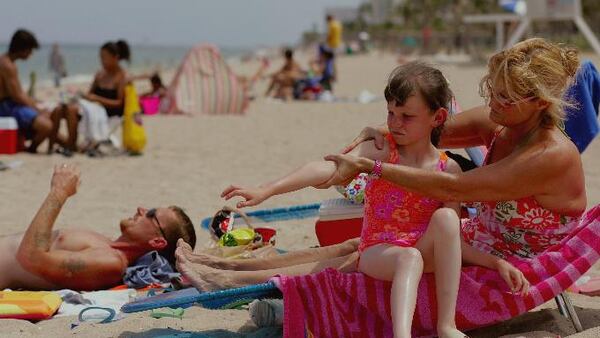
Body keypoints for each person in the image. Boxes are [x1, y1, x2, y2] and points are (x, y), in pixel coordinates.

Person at [175, 62, 511, 338]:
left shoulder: (447, 167)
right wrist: (268, 189)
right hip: (379, 250)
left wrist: (494, 262)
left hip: (422, 248)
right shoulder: (382, 149)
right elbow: (324, 168)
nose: (394, 123)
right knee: (408, 258)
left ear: (437, 118)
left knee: (448, 219)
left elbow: (450, 240)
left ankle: (445, 326)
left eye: (406, 116)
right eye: (391, 113)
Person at [332, 38, 585, 275]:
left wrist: (371, 166)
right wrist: (380, 131)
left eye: (505, 97)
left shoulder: (550, 154)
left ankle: (303, 289)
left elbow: (453, 188)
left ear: (540, 103)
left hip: (518, 259)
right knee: (358, 245)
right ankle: (297, 277)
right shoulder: (499, 124)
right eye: (491, 89)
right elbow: (425, 129)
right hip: (479, 236)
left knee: (367, 258)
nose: (493, 102)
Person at [0, 164, 196, 291]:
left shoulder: (110, 263)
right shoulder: (106, 244)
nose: (141, 209)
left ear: (157, 241)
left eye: (151, 213)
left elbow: (30, 258)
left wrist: (59, 193)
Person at [49, 40, 130, 155]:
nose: (102, 61)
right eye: (101, 57)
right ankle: (50, 147)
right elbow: (89, 95)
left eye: (104, 57)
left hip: (108, 113)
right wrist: (78, 95)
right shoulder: (100, 74)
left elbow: (119, 103)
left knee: (72, 110)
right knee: (59, 109)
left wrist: (97, 99)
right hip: (92, 108)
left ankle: (71, 146)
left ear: (115, 58)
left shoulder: (121, 76)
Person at [0, 29, 53, 153]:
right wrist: (38, 110)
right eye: (30, 50)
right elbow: (17, 96)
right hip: (6, 107)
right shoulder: (7, 65)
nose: (31, 54)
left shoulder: (8, 62)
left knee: (50, 118)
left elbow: (18, 93)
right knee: (47, 126)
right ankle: (31, 149)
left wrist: (35, 103)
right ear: (22, 48)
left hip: (10, 104)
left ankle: (68, 144)